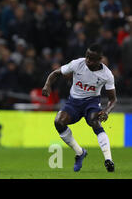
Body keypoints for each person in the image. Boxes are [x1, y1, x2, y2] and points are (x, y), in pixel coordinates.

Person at [42, 43, 117, 172]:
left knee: (95, 121)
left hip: (91, 103)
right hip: (73, 102)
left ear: (100, 60)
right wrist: (47, 85)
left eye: (92, 59)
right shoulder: (77, 63)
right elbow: (55, 73)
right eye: (87, 56)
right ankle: (80, 152)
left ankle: (108, 160)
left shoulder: (107, 75)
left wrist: (106, 111)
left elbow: (113, 99)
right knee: (58, 122)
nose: (88, 60)